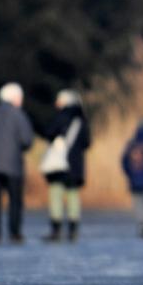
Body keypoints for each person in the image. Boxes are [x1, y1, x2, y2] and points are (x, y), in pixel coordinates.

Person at [0, 82, 35, 244]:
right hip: (14, 167)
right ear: (14, 98)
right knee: (15, 200)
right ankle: (14, 232)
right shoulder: (19, 115)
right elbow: (27, 140)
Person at [40, 90, 91, 242]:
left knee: (56, 194)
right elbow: (87, 143)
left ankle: (56, 230)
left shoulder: (60, 117)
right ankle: (73, 230)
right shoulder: (82, 120)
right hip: (75, 165)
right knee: (73, 196)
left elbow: (48, 133)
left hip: (58, 164)